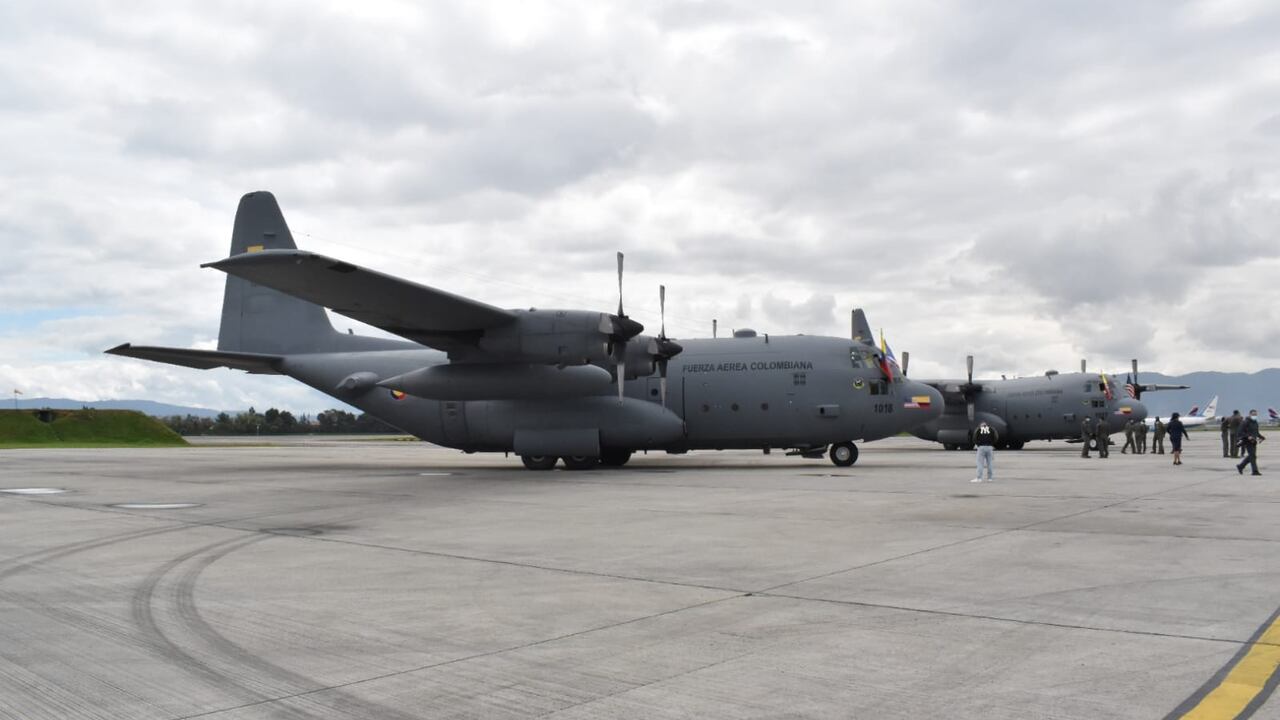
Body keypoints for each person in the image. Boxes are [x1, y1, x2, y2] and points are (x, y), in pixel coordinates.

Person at [1236, 410, 1265, 476]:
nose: (1254, 416)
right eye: (1253, 414)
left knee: (1252, 456)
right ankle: (1255, 471)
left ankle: (1240, 466)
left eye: (1255, 414)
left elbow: (1256, 432)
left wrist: (1261, 437)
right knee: (1252, 456)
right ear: (1249, 414)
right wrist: (1248, 436)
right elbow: (1240, 432)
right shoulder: (1245, 422)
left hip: (1253, 441)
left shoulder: (1255, 422)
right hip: (1247, 441)